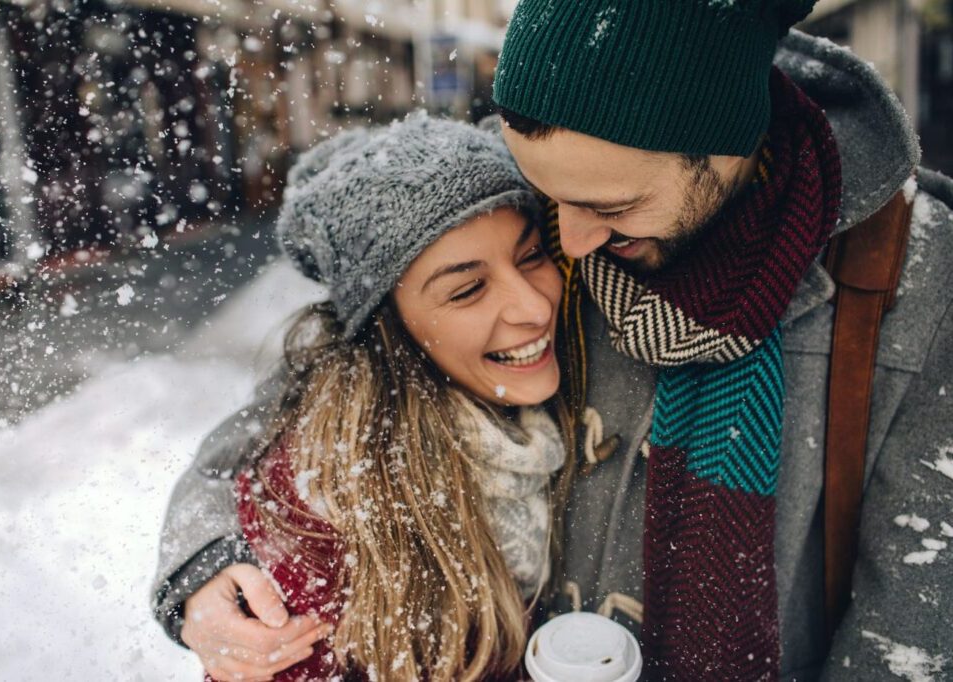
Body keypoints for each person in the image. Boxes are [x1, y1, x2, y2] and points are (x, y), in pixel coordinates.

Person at [154, 4, 953, 681]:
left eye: (610, 205)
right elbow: (306, 406)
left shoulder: (913, 279)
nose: (565, 243)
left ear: (721, 148)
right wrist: (202, 567)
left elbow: (911, 619)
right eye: (547, 205)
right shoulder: (554, 165)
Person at [155, 113, 576, 681]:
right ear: (391, 331)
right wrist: (198, 569)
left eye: (530, 256)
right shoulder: (333, 512)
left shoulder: (573, 355)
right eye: (468, 289)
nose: (533, 307)